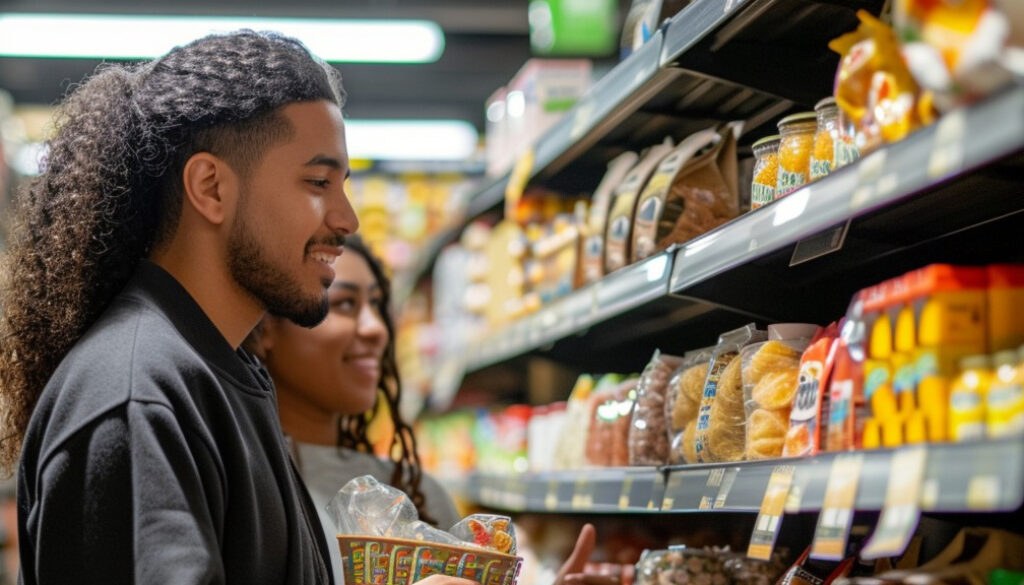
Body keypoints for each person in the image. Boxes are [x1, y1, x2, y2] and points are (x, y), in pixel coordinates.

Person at [0, 30, 485, 585]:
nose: (347, 219)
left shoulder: (222, 374)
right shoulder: (138, 396)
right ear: (211, 188)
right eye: (318, 182)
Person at [248, 235, 462, 577]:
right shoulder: (244, 488)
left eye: (377, 305)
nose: (376, 329)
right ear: (265, 327)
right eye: (345, 304)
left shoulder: (421, 495)